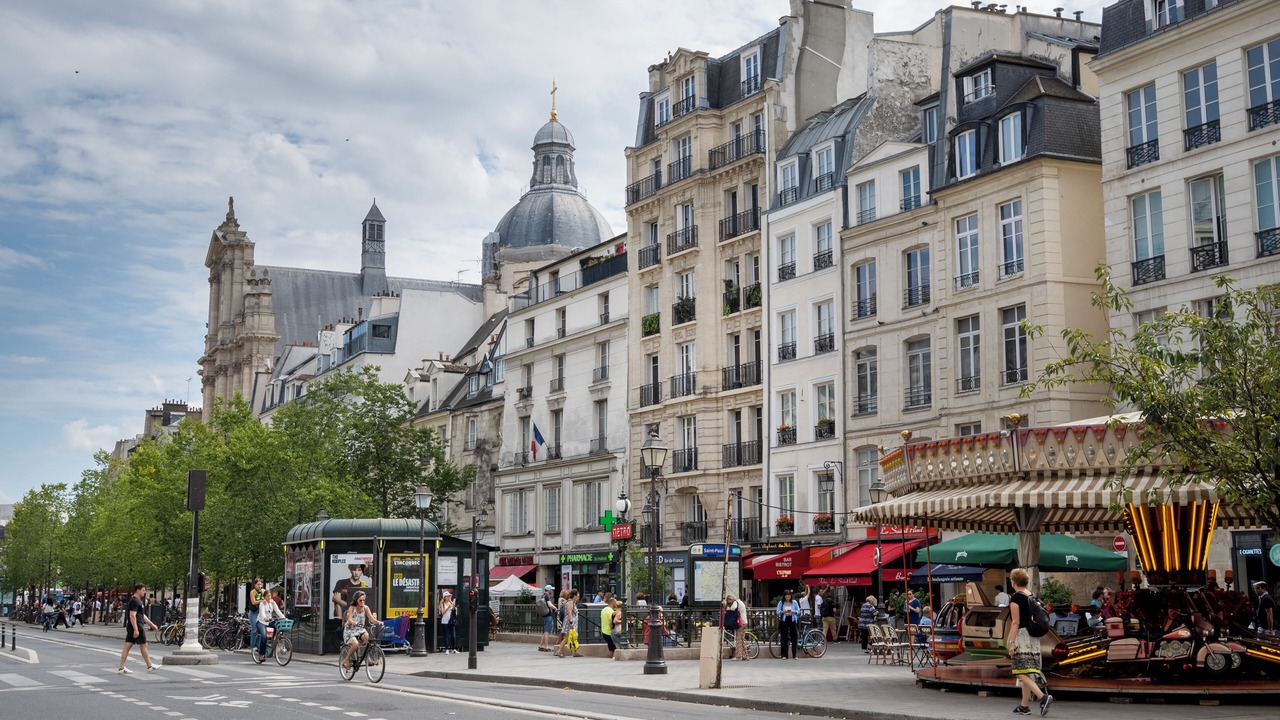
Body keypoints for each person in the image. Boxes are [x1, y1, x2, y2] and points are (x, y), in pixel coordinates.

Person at [1007, 568, 1051, 716]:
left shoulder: (1016, 598)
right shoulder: (1031, 595)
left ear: (1013, 582)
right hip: (1033, 637)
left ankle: (1042, 697)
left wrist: (1011, 643)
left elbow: (1015, 622)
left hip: (1022, 635)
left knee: (1019, 671)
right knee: (1027, 671)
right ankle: (1024, 705)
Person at [118, 583, 160, 673]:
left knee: (127, 646)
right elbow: (132, 615)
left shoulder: (137, 601)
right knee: (144, 645)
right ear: (138, 590)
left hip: (133, 626)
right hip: (136, 626)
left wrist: (151, 624)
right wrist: (136, 629)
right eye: (143, 590)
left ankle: (121, 667)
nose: (144, 592)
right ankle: (149, 665)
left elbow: (142, 615)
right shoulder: (135, 601)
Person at [341, 590, 379, 666]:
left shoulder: (366, 608)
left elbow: (372, 619)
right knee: (355, 644)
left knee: (366, 636)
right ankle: (347, 659)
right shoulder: (352, 608)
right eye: (360, 600)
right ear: (356, 601)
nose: (362, 602)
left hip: (360, 629)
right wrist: (353, 622)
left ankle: (366, 657)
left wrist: (379, 622)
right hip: (350, 631)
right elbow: (350, 618)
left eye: (364, 600)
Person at [256, 588, 285, 659]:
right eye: (267, 596)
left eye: (270, 596)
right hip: (261, 622)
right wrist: (265, 617)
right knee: (264, 636)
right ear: (264, 597)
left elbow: (278, 611)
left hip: (269, 622)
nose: (269, 597)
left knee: (276, 626)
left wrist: (284, 618)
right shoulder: (262, 603)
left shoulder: (273, 603)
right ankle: (261, 654)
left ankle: (271, 641)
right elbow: (262, 612)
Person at [777, 590, 801, 659]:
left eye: (789, 597)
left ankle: (794, 655)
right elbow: (777, 612)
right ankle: (784, 655)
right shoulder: (781, 603)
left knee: (794, 637)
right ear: (784, 597)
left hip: (792, 619)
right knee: (784, 637)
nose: (788, 598)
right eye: (786, 597)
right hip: (784, 620)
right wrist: (783, 611)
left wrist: (793, 611)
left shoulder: (794, 602)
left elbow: (798, 611)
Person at [725, 593, 749, 661]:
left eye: (730, 599)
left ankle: (738, 656)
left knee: (738, 639)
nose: (729, 601)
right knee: (741, 639)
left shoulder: (736, 602)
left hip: (740, 623)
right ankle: (745, 655)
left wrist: (728, 608)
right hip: (744, 622)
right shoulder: (740, 602)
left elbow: (733, 608)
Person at [248, 578, 266, 660]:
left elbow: (268, 599)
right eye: (258, 584)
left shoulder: (263, 591)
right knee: (254, 629)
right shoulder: (252, 592)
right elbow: (253, 602)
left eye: (260, 584)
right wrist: (262, 600)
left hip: (261, 613)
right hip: (254, 613)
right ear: (255, 585)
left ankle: (259, 645)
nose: (259, 586)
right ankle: (253, 646)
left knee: (261, 630)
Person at [538, 585, 557, 652]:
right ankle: (545, 646)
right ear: (548, 590)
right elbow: (549, 605)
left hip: (544, 615)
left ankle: (541, 645)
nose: (552, 591)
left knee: (545, 631)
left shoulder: (543, 596)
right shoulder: (547, 596)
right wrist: (555, 608)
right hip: (548, 615)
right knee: (547, 631)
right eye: (551, 589)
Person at [439, 590, 458, 654]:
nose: (448, 597)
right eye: (447, 596)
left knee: (453, 635)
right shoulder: (442, 604)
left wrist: (453, 606)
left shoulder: (451, 603)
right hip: (445, 621)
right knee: (446, 635)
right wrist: (448, 608)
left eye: (449, 596)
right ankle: (447, 649)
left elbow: (454, 611)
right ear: (444, 597)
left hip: (451, 621)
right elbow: (443, 612)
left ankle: (453, 648)